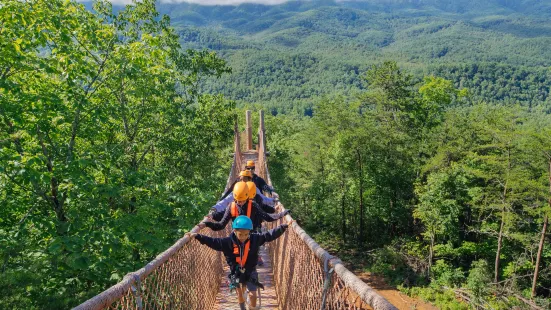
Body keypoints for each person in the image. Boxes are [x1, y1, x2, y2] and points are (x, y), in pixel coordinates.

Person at [187, 216, 292, 310]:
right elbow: (213, 242)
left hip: (251, 271)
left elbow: (268, 235)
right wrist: (198, 236)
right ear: (234, 231)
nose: (243, 237)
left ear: (250, 232)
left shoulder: (255, 239)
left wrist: (283, 227)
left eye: (246, 234)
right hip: (235, 272)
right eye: (240, 234)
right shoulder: (227, 242)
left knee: (252, 295)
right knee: (240, 293)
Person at [201, 181, 288, 232]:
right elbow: (221, 223)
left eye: (242, 200)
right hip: (237, 235)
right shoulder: (232, 206)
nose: (240, 203)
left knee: (255, 248)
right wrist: (210, 219)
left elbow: (267, 216)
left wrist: (281, 214)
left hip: (252, 233)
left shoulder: (254, 204)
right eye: (237, 200)